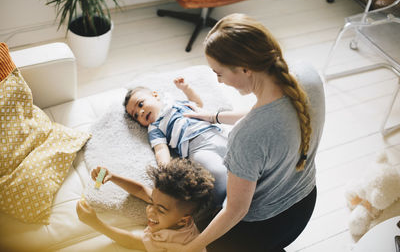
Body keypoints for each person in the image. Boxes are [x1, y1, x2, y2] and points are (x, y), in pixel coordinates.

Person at [155, 13, 326, 252]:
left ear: (245, 69)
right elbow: (270, 115)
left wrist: (192, 247)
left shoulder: (246, 136)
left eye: (219, 73)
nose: (219, 81)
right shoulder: (308, 75)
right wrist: (212, 116)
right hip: (306, 203)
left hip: (265, 225)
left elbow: (235, 210)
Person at [123, 77, 231, 209]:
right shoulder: (154, 128)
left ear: (155, 96)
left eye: (140, 104)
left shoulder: (175, 102)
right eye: (135, 115)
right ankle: (225, 204)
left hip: (216, 134)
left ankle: (249, 185)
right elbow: (161, 149)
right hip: (197, 148)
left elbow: (197, 104)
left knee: (241, 151)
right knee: (217, 171)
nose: (140, 112)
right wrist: (166, 168)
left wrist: (187, 89)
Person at [76, 158, 214, 251]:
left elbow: (132, 241)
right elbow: (140, 190)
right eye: (152, 202)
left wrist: (95, 223)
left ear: (184, 220)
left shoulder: (170, 240)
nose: (150, 210)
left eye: (160, 210)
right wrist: (112, 176)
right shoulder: (176, 210)